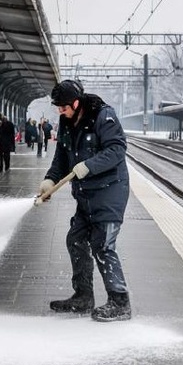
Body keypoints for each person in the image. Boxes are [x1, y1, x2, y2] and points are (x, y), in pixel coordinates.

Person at [37, 80, 132, 322]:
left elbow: (117, 150)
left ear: (76, 103)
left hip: (110, 191)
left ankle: (120, 302)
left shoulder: (104, 116)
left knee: (103, 245)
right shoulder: (67, 120)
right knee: (76, 240)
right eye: (58, 108)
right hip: (86, 194)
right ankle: (83, 296)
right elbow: (61, 156)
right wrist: (49, 180)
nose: (60, 112)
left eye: (63, 107)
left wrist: (88, 166)